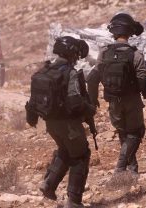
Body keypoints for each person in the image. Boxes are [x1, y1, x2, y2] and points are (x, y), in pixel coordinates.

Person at [26, 36, 94, 208]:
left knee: (65, 150)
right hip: (68, 124)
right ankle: (74, 201)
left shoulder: (45, 71)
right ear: (72, 54)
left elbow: (34, 101)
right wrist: (89, 109)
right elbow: (75, 102)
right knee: (80, 155)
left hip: (51, 123)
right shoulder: (69, 73)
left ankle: (48, 184)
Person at [87, 12, 146, 174]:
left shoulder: (104, 52)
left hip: (112, 100)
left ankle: (132, 168)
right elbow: (142, 79)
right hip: (132, 100)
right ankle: (121, 166)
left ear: (114, 32)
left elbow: (93, 77)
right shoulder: (135, 54)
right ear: (129, 32)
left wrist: (93, 99)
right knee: (136, 132)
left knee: (123, 132)